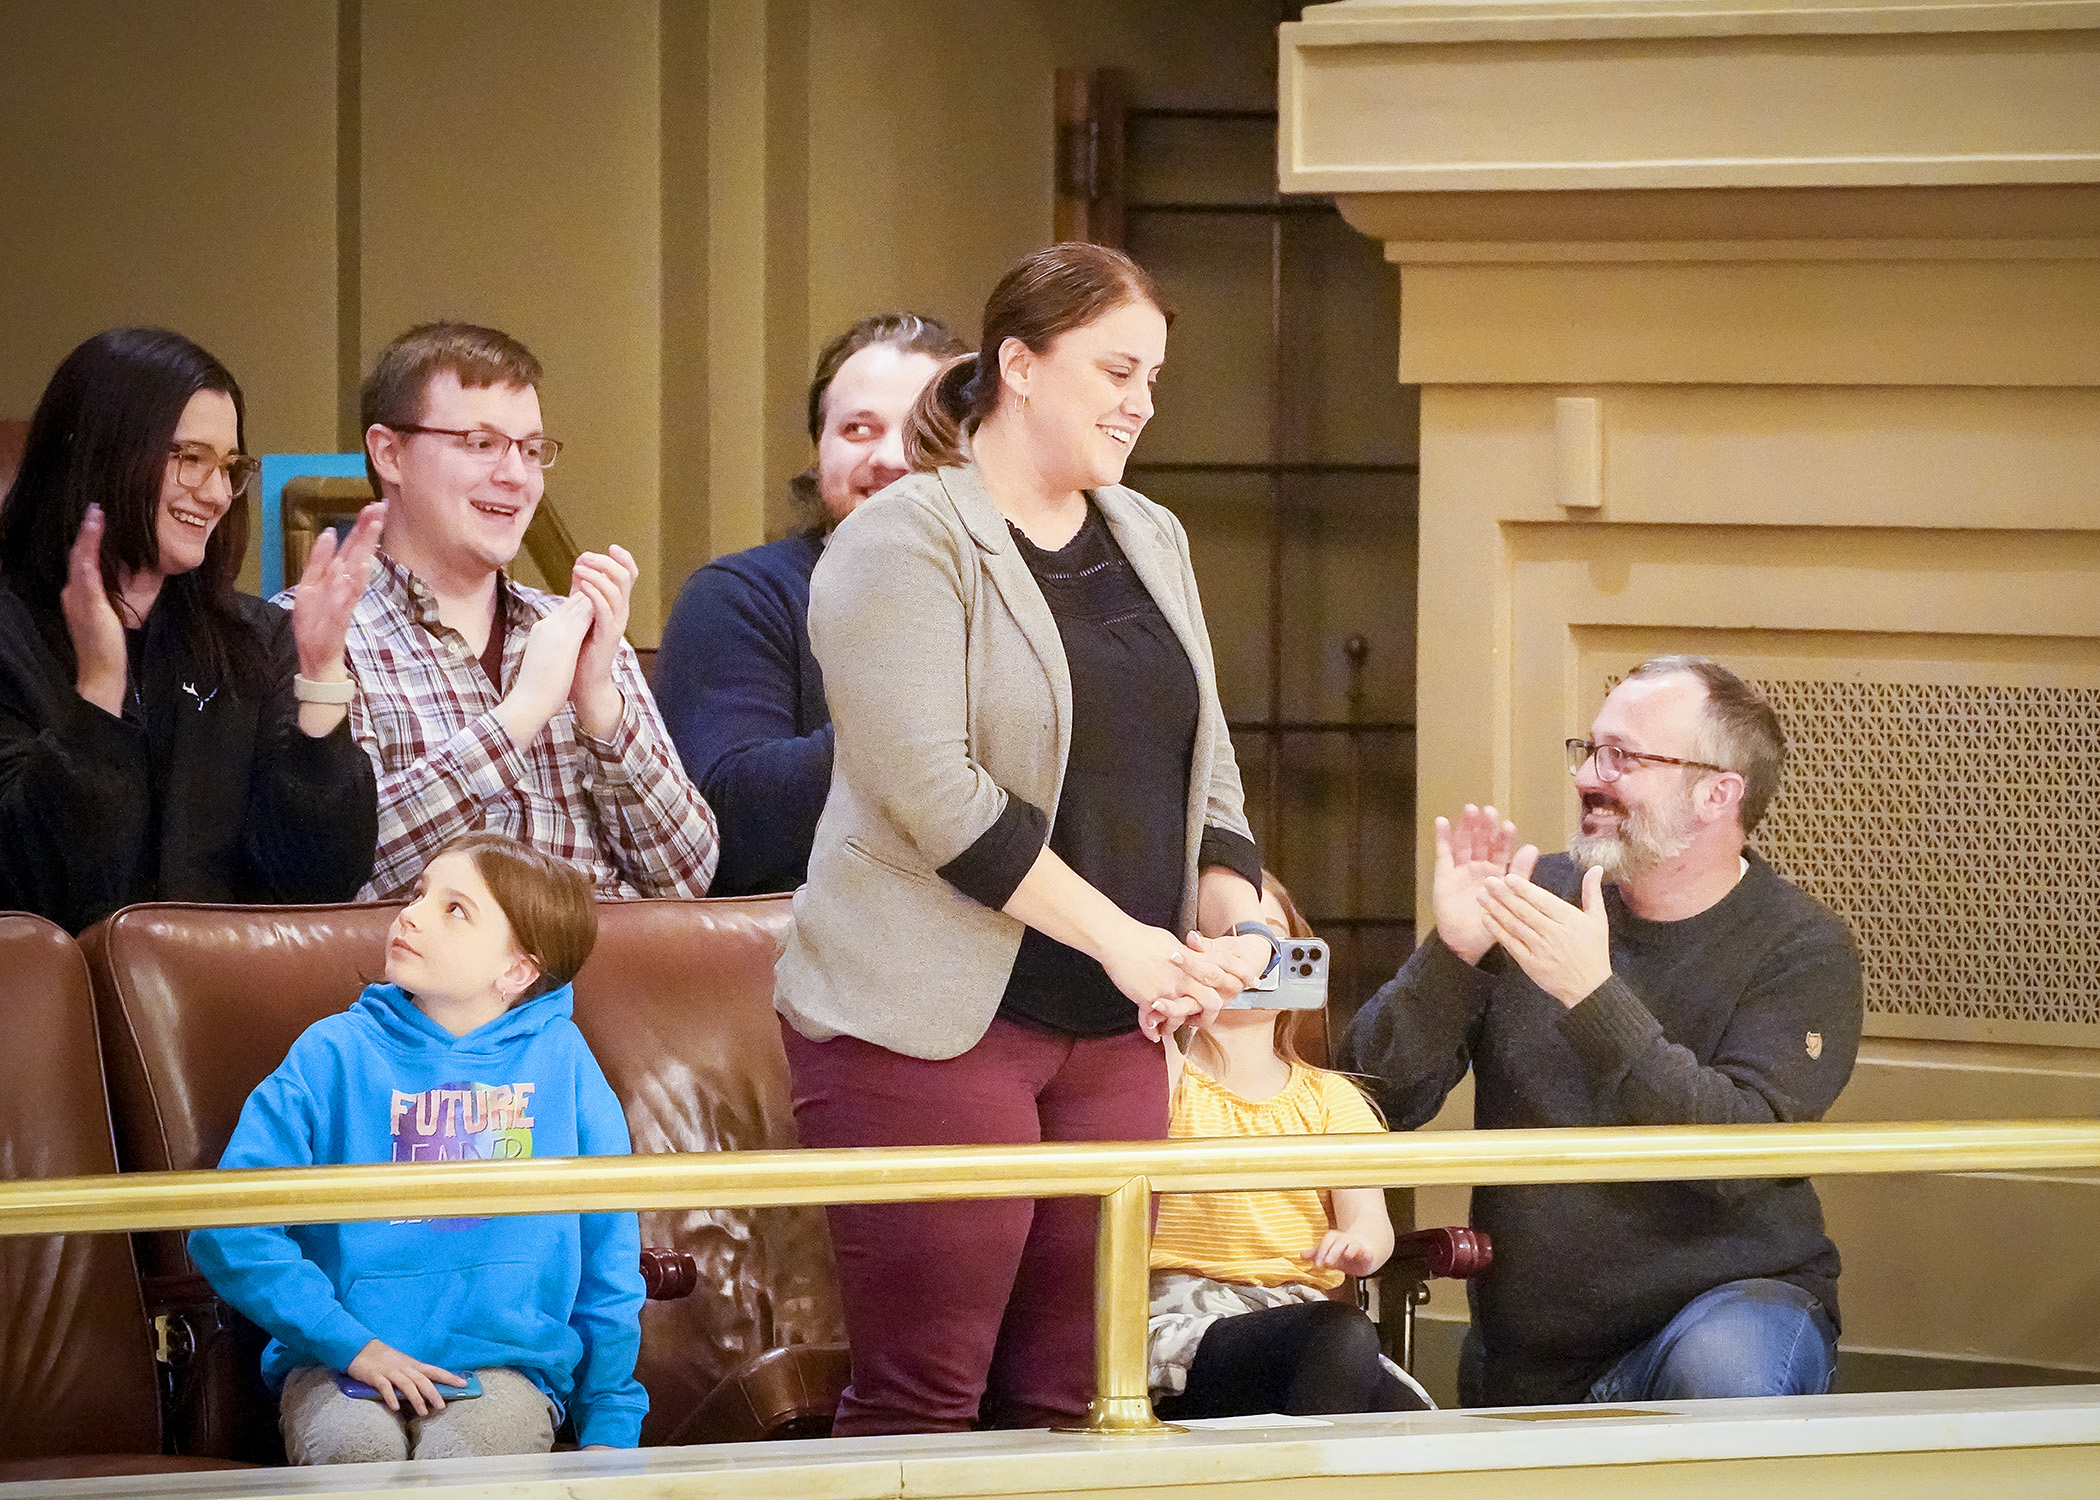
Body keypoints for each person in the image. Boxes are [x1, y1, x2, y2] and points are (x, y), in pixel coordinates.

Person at [774, 242, 1277, 1436]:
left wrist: (1237, 925)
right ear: (1019, 367)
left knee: (1081, 1398)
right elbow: (935, 796)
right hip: (926, 1022)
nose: (1141, 401)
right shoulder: (901, 539)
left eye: (1153, 375)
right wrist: (1127, 942)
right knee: (925, 1398)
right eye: (1115, 368)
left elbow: (1207, 764)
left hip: (1113, 1029)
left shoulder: (1153, 533)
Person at [1341, 655, 1865, 1408]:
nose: (1590, 776)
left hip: (1727, 1318)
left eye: (1625, 757)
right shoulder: (1531, 896)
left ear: (1719, 792)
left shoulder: (1801, 949)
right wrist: (1451, 957)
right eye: (1588, 750)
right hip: (1531, 1357)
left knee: (1725, 1373)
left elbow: (1743, 1149)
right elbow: (1368, 1096)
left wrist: (1593, 995)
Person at [189, 831, 646, 1463]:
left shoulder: (566, 1064)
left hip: (506, 1372)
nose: (411, 913)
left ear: (516, 970)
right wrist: (350, 1345)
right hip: (338, 1364)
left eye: (455, 909)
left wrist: (610, 1423)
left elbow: (610, 1262)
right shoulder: (331, 1053)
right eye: (419, 892)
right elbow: (226, 1226)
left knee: (466, 1465)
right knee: (356, 1459)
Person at [290, 321, 717, 901]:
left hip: (608, 978)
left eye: (532, 449)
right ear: (389, 453)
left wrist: (598, 703)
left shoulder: (575, 630)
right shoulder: (318, 633)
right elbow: (336, 876)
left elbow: (686, 876)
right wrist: (518, 717)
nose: (516, 476)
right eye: (481, 444)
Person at [0, 327, 380, 933]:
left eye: (229, 466)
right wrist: (99, 690)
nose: (217, 494)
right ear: (102, 454)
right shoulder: (11, 635)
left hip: (220, 1008)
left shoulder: (257, 636)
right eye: (189, 459)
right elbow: (34, 887)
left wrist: (323, 674)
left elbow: (318, 881)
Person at [655, 312, 964, 895]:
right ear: (818, 450)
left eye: (923, 433)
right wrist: (935, 727)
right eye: (857, 430)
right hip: (816, 951)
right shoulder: (741, 595)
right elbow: (725, 822)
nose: (891, 458)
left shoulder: (1022, 597)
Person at [1149, 873, 1432, 1419]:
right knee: (1340, 1339)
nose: (1247, 962)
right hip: (1178, 1321)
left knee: (1403, 1413)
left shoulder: (1333, 1099)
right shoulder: (1163, 1073)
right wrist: (1175, 1015)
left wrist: (1360, 1247)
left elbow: (1369, 1219)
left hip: (1299, 1316)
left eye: (1266, 941)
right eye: (1223, 941)